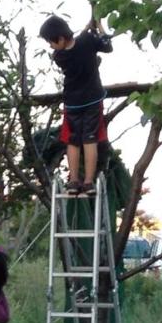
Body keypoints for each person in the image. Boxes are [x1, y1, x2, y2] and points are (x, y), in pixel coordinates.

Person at [39, 14, 113, 197]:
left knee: (72, 140)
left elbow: (76, 42)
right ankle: (88, 181)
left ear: (61, 39)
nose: (51, 46)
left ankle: (73, 180)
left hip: (72, 103)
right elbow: (107, 46)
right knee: (90, 139)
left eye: (51, 42)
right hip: (93, 100)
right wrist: (99, 26)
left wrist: (88, 27)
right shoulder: (87, 41)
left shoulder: (59, 56)